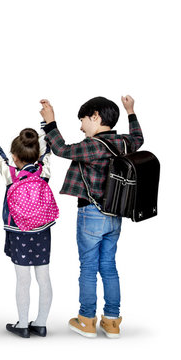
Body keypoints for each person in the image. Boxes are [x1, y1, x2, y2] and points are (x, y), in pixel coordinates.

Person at [40, 96, 143, 338]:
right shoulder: (125, 143)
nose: (81, 126)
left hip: (91, 213)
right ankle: (112, 322)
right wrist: (131, 112)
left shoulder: (94, 146)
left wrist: (51, 123)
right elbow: (139, 138)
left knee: (88, 267)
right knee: (108, 266)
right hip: (115, 215)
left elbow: (61, 149)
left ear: (95, 116)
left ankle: (86, 319)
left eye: (83, 120)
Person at [0, 120, 54, 338]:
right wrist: (44, 128)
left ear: (14, 156)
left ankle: (23, 324)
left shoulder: (11, 174)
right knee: (44, 277)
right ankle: (41, 323)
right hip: (42, 229)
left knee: (22, 279)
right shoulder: (43, 171)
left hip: (18, 231)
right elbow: (47, 150)